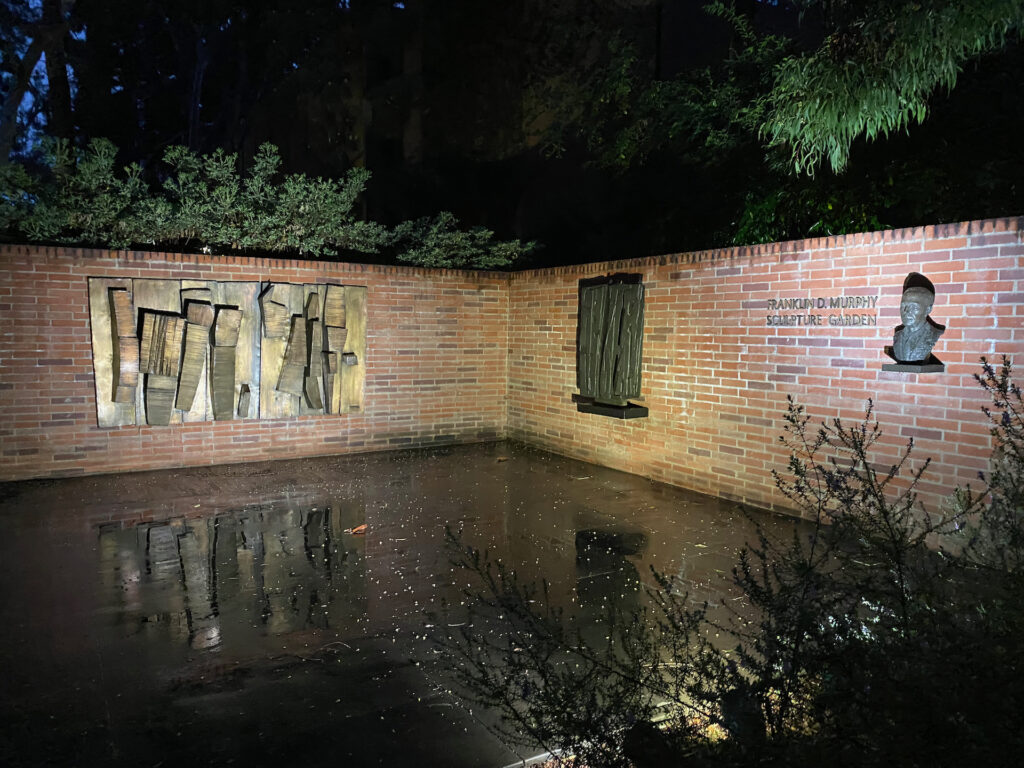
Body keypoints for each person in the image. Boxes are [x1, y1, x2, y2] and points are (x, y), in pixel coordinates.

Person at [892, 283, 944, 363]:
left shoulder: (936, 335)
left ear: (928, 310)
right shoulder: (897, 336)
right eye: (903, 306)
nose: (906, 311)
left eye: (914, 307)